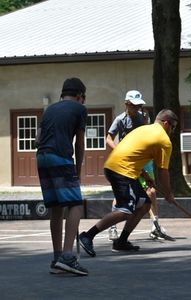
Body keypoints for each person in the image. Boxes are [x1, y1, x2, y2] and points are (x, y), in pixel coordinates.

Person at [79, 109, 178, 256]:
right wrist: (169, 194)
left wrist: (144, 175)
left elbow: (132, 153)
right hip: (122, 171)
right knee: (125, 210)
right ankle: (88, 236)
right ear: (165, 123)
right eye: (173, 127)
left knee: (145, 204)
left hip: (119, 167)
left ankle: (121, 242)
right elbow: (163, 171)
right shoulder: (164, 140)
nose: (173, 131)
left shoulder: (144, 129)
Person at [36, 77, 88, 276]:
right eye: (83, 98)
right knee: (75, 203)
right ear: (79, 96)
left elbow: (37, 139)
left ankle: (57, 257)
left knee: (56, 208)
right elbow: (80, 144)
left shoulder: (50, 110)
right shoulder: (80, 109)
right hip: (60, 156)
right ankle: (68, 257)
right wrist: (78, 170)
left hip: (41, 157)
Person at [106, 90, 169, 241]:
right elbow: (109, 138)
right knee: (120, 195)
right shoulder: (120, 119)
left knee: (151, 191)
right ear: (126, 104)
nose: (137, 108)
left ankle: (155, 225)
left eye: (139, 106)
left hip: (144, 159)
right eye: (134, 106)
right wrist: (118, 150)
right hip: (126, 160)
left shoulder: (143, 118)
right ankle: (112, 226)